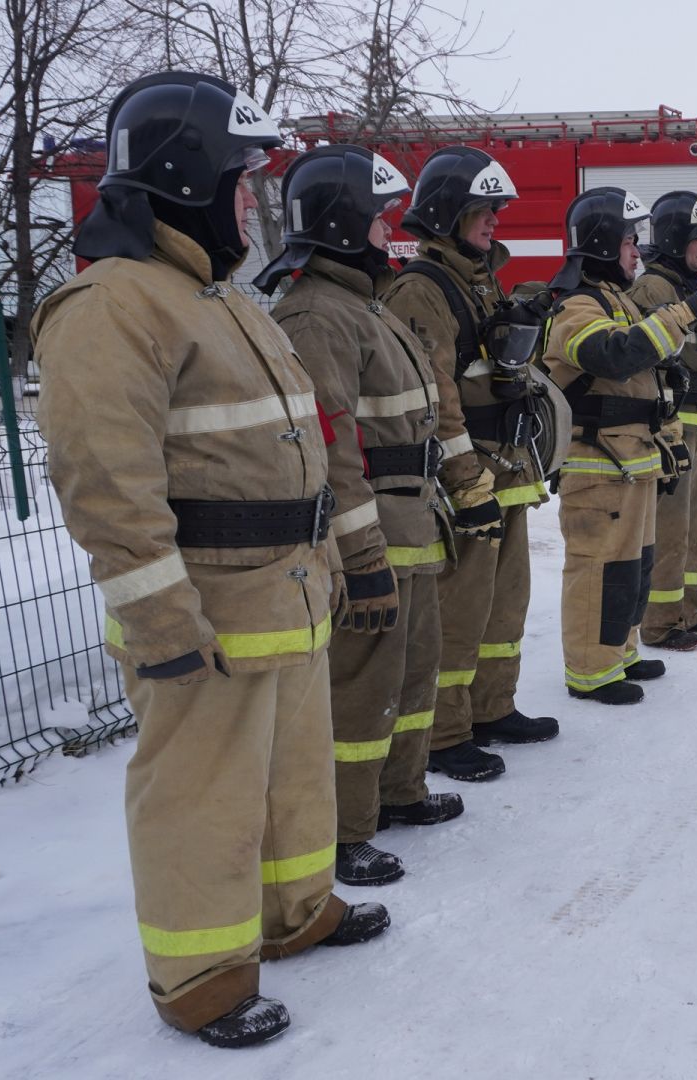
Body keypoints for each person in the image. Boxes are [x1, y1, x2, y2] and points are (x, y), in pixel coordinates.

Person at [32, 71, 386, 1049]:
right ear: (184, 176)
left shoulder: (217, 296)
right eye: (238, 182)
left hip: (284, 597)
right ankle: (199, 975)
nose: (248, 203)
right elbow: (107, 485)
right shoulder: (113, 306)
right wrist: (161, 627)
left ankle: (294, 911)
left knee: (291, 779)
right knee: (202, 797)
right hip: (205, 619)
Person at [256, 144, 466, 888]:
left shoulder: (365, 308)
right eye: (379, 221)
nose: (391, 234)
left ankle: (399, 791)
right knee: (360, 687)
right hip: (373, 531)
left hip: (411, 522)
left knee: (411, 675)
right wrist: (362, 555)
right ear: (344, 225)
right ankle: (344, 832)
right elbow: (333, 445)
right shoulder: (317, 317)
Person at [383, 146, 560, 783]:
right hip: (470, 475)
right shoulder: (421, 291)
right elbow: (435, 395)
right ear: (447, 213)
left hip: (506, 467)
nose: (494, 223)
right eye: (483, 211)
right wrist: (465, 479)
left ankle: (491, 707)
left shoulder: (477, 279)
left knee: (504, 605)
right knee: (458, 612)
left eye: (496, 211)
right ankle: (445, 732)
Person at [538, 187, 697, 704]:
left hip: (629, 460)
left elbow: (655, 377)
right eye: (627, 241)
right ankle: (589, 671)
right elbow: (620, 356)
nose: (636, 252)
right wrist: (684, 312)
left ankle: (618, 653)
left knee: (631, 568)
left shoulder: (614, 301)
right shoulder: (578, 307)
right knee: (596, 569)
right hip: (596, 462)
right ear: (600, 245)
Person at [629, 191, 697, 651]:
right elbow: (655, 356)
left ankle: (684, 611)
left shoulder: (693, 291)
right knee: (669, 533)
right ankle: (658, 622)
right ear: (674, 239)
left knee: (694, 532)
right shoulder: (654, 289)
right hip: (671, 429)